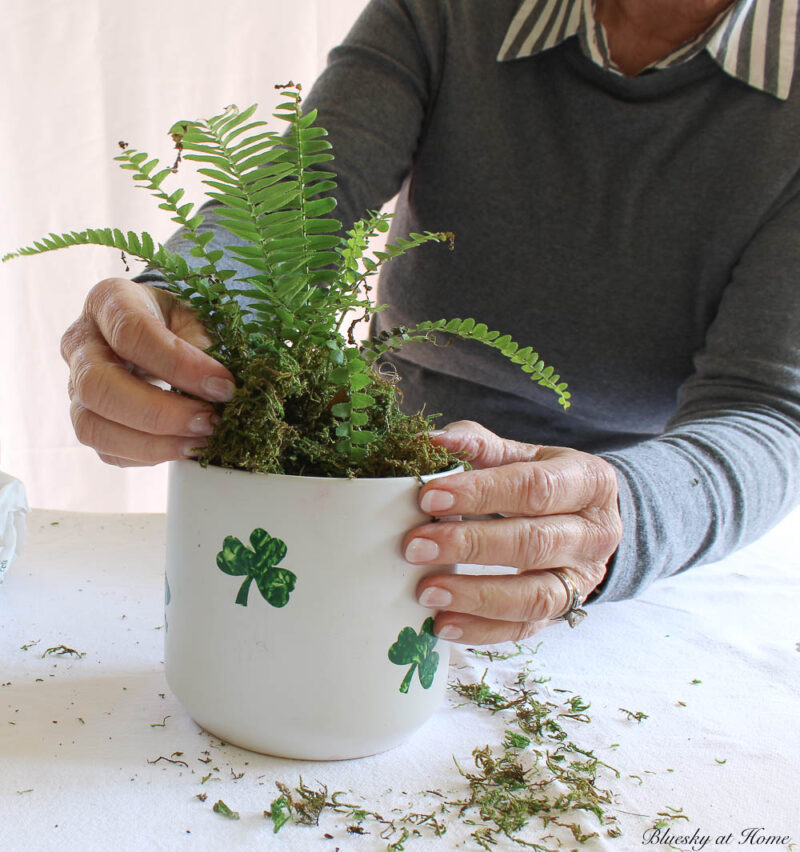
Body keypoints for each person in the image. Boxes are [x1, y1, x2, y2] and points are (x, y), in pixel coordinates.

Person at [59, 0, 800, 645]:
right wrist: (185, 298)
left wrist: (627, 516)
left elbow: (768, 410)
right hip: (373, 473)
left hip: (633, 533)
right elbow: (309, 192)